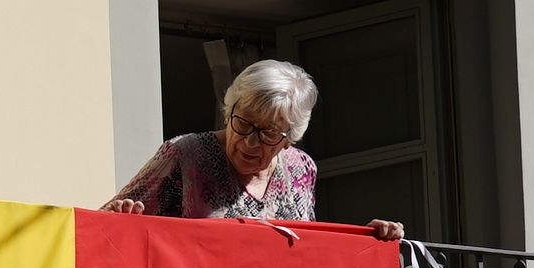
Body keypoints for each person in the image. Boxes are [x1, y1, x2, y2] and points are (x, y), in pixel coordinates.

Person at [104, 58, 400, 237]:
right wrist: (122, 218)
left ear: (289, 138)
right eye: (243, 123)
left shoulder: (300, 169)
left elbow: (309, 247)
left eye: (268, 133)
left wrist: (369, 239)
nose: (249, 141)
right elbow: (105, 223)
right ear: (229, 110)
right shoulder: (186, 154)